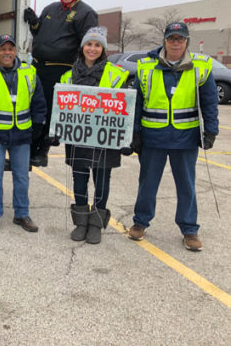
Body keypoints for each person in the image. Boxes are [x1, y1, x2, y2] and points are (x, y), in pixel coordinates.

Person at [128, 22, 218, 252]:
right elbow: (136, 102)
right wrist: (134, 131)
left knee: (186, 185)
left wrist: (211, 130)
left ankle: (189, 229)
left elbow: (209, 102)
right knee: (147, 184)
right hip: (153, 137)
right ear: (164, 40)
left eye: (180, 39)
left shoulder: (201, 67)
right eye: (172, 38)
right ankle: (140, 222)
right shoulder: (147, 67)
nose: (176, 43)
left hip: (186, 138)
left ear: (186, 40)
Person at [0, 34, 47, 236]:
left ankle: (22, 214)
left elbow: (39, 101)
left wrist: (39, 124)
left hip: (21, 135)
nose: (7, 52)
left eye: (10, 49)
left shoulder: (29, 72)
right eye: (2, 49)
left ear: (15, 51)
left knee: (22, 177)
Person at [59, 27, 130, 244]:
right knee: (79, 179)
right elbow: (61, 107)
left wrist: (126, 137)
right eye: (89, 44)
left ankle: (96, 224)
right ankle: (81, 222)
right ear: (82, 47)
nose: (92, 48)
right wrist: (57, 129)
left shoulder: (116, 74)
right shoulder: (68, 75)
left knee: (102, 181)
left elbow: (125, 107)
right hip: (78, 136)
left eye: (97, 45)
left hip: (104, 138)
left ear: (103, 49)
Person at [23, 0, 98, 167]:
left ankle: (43, 150)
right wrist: (33, 22)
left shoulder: (86, 13)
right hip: (37, 66)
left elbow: (89, 45)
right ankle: (29, 146)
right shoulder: (50, 8)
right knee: (33, 107)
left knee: (48, 110)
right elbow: (39, 32)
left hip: (59, 70)